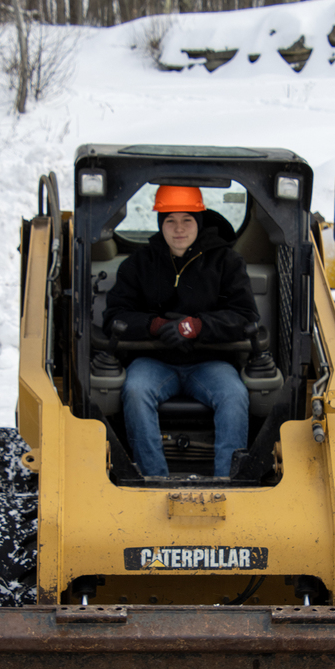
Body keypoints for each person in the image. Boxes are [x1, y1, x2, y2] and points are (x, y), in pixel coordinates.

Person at [103, 185, 259, 477]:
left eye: (187, 220)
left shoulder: (227, 263)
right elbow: (114, 316)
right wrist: (155, 325)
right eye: (170, 220)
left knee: (234, 394)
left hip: (211, 362)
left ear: (200, 221)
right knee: (135, 390)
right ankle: (153, 479)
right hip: (154, 362)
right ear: (160, 223)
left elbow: (245, 316)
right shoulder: (138, 264)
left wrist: (196, 326)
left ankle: (228, 481)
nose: (178, 229)